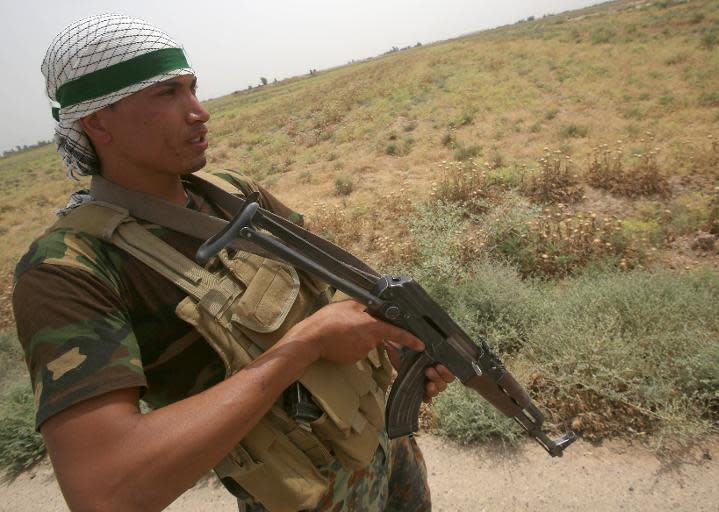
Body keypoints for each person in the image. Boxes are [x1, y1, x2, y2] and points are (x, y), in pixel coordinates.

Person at [13, 14, 454, 512]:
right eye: (166, 94)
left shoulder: (233, 194)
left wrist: (390, 350)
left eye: (193, 88)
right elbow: (107, 490)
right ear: (96, 120)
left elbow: (325, 298)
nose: (199, 112)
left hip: (384, 445)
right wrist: (303, 348)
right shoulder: (68, 268)